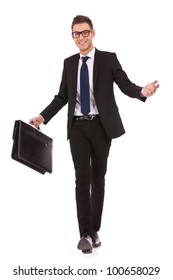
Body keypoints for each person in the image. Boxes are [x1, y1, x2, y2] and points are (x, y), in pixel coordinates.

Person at [30, 15, 159, 254]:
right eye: (76, 34)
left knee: (98, 179)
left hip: (101, 126)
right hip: (77, 126)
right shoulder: (69, 63)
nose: (81, 37)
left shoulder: (108, 59)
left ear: (93, 33)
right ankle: (85, 234)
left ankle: (95, 229)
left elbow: (124, 84)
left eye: (85, 32)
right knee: (82, 179)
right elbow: (62, 97)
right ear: (72, 36)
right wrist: (42, 116)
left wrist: (143, 90)